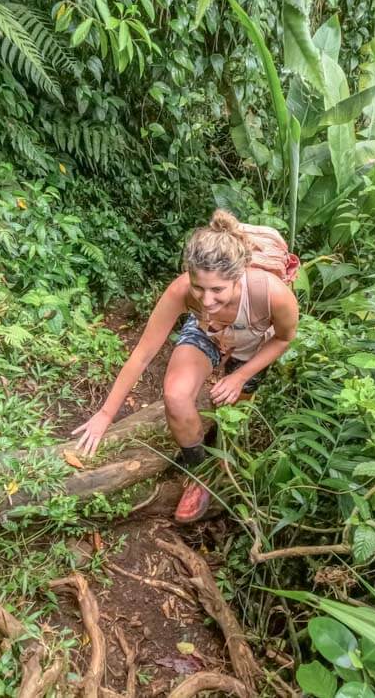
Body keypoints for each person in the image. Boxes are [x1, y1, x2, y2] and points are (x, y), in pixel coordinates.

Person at [72, 209, 299, 522]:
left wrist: (240, 377)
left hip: (256, 343)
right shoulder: (182, 291)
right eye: (199, 288)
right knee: (176, 396)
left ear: (238, 276)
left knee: (233, 414)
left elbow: (284, 339)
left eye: (217, 290)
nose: (206, 300)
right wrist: (105, 414)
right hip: (207, 331)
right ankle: (199, 471)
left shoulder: (271, 294)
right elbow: (142, 354)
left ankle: (225, 456)